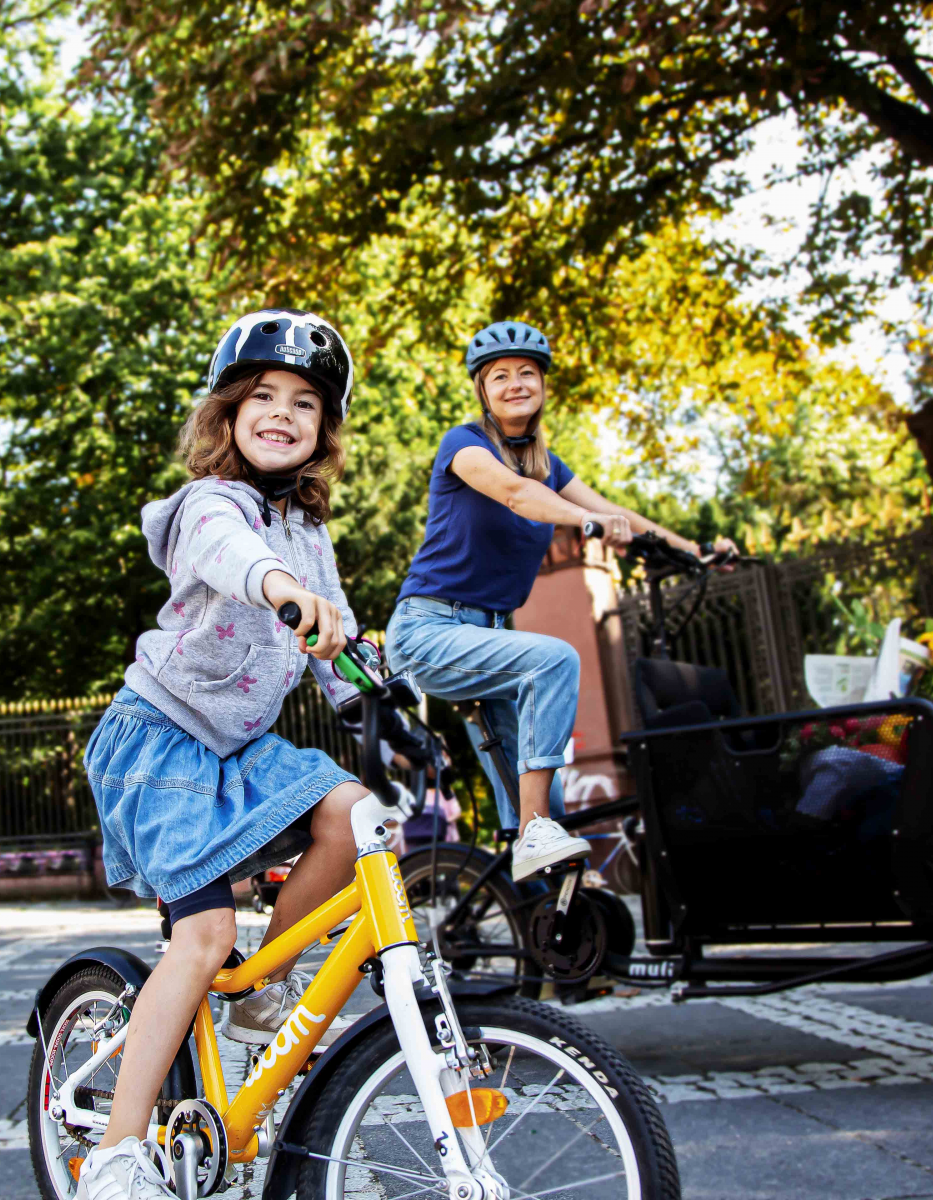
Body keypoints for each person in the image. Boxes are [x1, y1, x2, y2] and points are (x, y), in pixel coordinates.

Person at [75, 310, 379, 1200]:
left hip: (240, 752)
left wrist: (376, 698)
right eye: (264, 397)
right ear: (230, 413)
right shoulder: (211, 505)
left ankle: (262, 995)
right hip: (159, 745)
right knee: (203, 934)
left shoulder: (310, 535)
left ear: (323, 430)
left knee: (357, 812)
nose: (284, 414)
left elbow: (341, 642)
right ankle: (119, 1153)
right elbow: (231, 553)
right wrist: (279, 586)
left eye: (306, 404)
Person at [385, 319, 736, 881]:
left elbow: (620, 514)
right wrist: (588, 522)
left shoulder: (549, 467)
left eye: (527, 372)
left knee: (543, 794)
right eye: (499, 376)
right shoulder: (464, 444)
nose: (515, 383)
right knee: (553, 658)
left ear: (543, 386)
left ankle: (556, 903)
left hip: (488, 640)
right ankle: (533, 839)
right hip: (428, 632)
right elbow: (515, 494)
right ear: (483, 391)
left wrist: (693, 550)